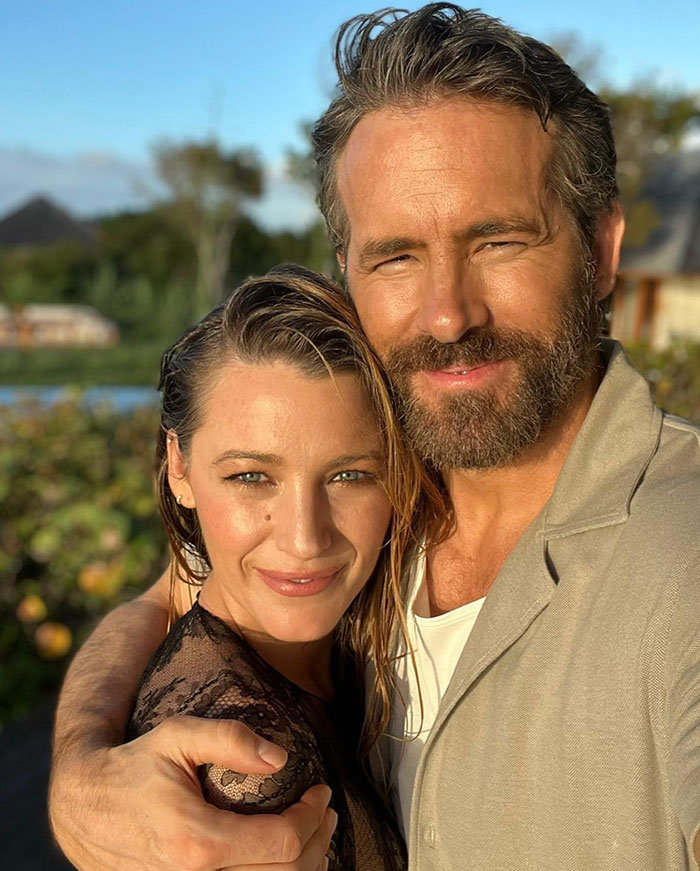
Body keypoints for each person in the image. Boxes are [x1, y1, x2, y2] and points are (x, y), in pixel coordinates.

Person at [49, 5, 700, 871]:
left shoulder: (679, 549)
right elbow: (176, 588)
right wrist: (80, 768)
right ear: (347, 271)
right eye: (395, 256)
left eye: (498, 239)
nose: (447, 315)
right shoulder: (379, 489)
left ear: (602, 247)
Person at [125, 265, 439, 871]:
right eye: (251, 477)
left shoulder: (352, 638)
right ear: (179, 467)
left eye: (351, 475)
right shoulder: (241, 766)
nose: (304, 539)